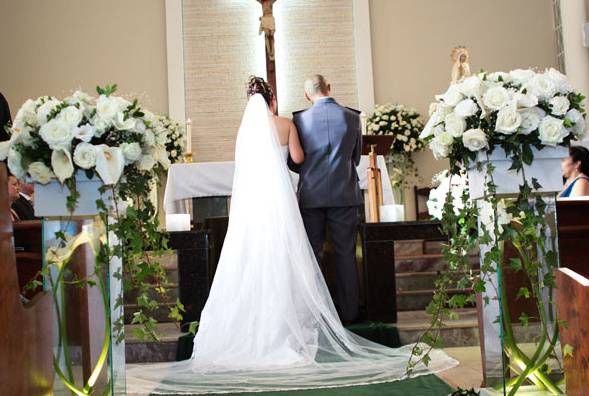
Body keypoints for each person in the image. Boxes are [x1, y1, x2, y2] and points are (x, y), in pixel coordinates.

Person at [126, 77, 456, 395]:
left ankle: (251, 327)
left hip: (251, 206)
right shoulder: (286, 124)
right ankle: (291, 326)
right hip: (279, 202)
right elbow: (298, 158)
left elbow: (244, 166)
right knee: (286, 256)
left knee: (250, 259)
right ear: (272, 100)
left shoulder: (244, 130)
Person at [291, 74, 362, 323]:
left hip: (311, 195)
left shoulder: (299, 120)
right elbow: (356, 157)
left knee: (313, 254)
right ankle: (350, 314)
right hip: (345, 193)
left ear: (307, 95)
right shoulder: (353, 117)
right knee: (346, 254)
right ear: (329, 88)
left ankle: (318, 317)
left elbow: (294, 160)